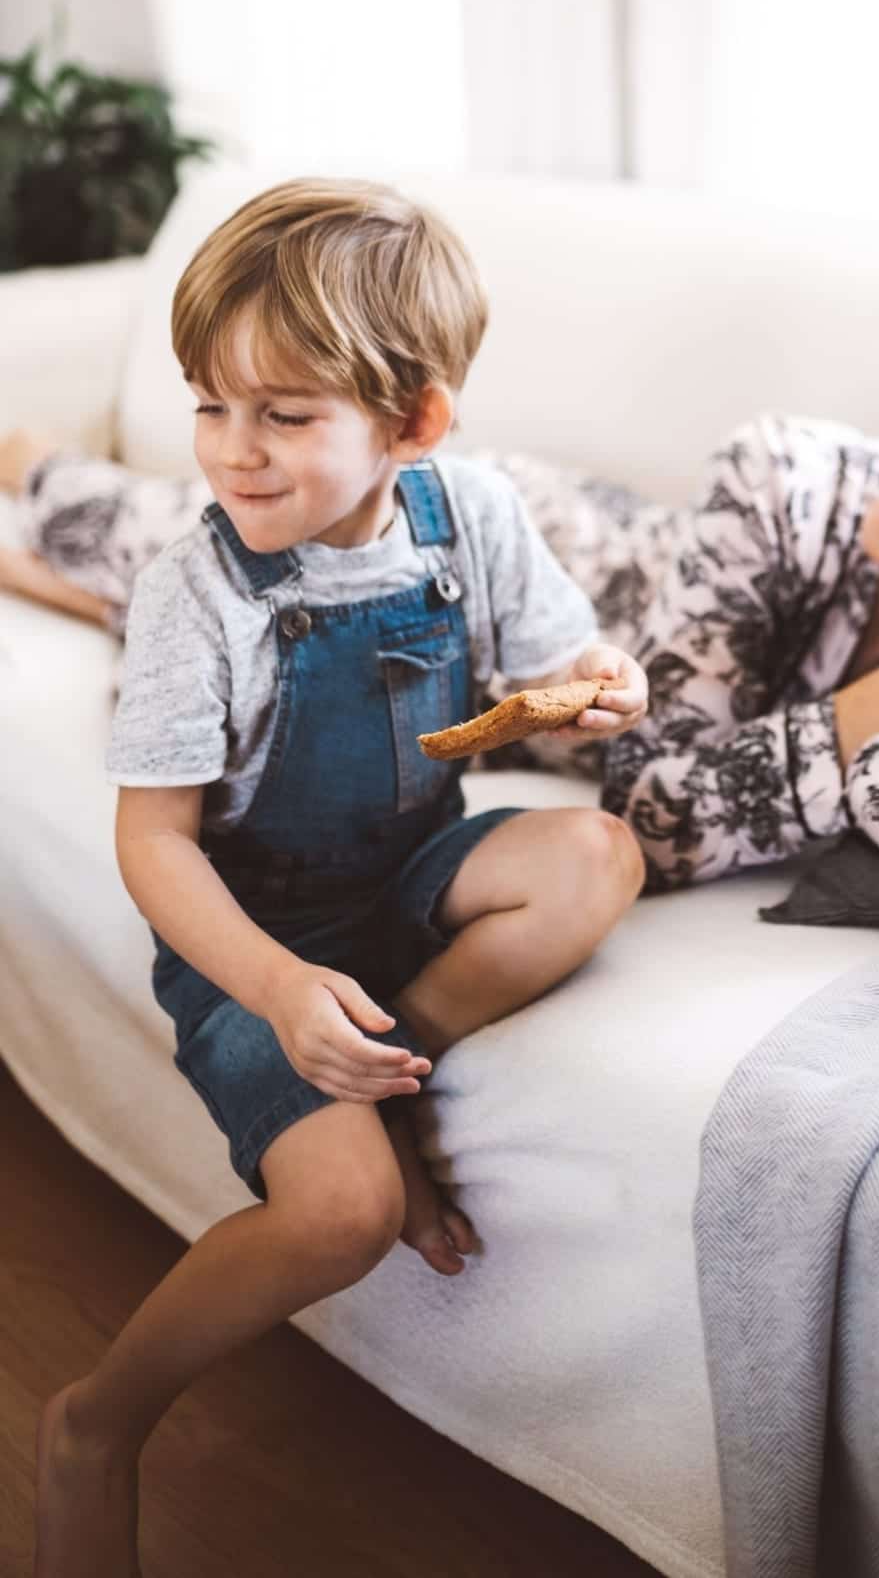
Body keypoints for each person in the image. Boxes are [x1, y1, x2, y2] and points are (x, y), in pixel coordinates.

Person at [31, 179, 649, 1578]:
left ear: (413, 423)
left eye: (285, 414)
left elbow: (565, 668)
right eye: (210, 404)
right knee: (345, 1213)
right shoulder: (196, 591)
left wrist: (605, 688)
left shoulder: (465, 513)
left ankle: (389, 1071)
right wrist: (277, 984)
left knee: (597, 854)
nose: (230, 457)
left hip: (408, 867)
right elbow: (155, 842)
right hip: (252, 925)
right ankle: (100, 1420)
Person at [5, 311, 879, 896]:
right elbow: (654, 800)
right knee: (115, 525)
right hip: (495, 554)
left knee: (110, 577)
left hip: (461, 686)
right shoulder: (791, 471)